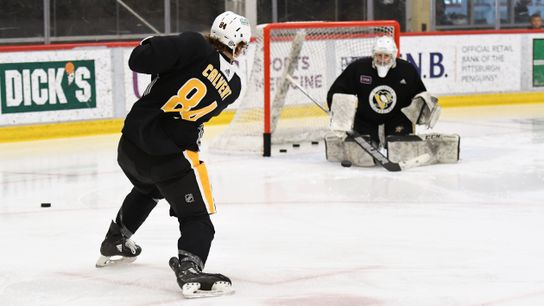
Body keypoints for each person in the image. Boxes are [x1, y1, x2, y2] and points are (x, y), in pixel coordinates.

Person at [95, 11, 251, 298]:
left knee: (149, 189)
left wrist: (154, 44)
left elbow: (139, 59)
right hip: (171, 158)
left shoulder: (193, 45)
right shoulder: (234, 86)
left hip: (131, 146)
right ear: (239, 45)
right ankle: (190, 267)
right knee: (197, 218)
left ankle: (116, 237)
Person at [325, 36, 458, 167]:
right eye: (379, 55)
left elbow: (420, 94)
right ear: (373, 54)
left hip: (398, 120)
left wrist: (426, 108)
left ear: (393, 55)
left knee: (400, 151)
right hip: (366, 120)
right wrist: (339, 114)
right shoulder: (358, 68)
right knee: (363, 158)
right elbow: (338, 91)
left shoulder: (407, 70)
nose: (382, 60)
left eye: (386, 56)